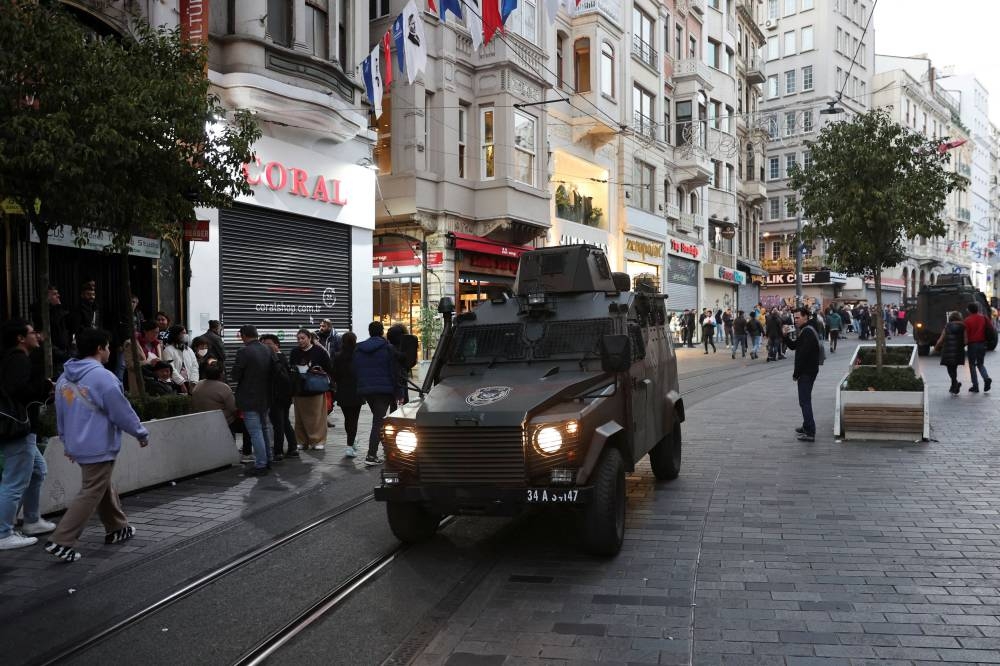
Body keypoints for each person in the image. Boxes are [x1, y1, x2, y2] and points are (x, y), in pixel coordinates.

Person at [46, 327, 149, 562]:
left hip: (79, 443)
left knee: (100, 484)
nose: (110, 351)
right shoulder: (102, 377)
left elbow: (60, 413)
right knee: (92, 489)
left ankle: (117, 527)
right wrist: (140, 432)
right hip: (99, 444)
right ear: (100, 348)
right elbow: (121, 410)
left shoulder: (64, 378)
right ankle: (62, 541)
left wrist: (66, 441)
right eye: (108, 347)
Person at [0, 320, 55, 550]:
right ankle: (3, 533)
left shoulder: (12, 358)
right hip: (18, 428)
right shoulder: (19, 359)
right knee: (15, 481)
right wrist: (44, 387)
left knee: (37, 471)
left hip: (21, 428)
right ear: (21, 338)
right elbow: (19, 391)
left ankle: (31, 520)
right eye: (33, 333)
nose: (38, 336)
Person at [354, 321, 403, 467]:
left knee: (379, 420)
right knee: (378, 422)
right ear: (382, 332)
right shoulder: (388, 348)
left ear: (369, 332)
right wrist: (398, 392)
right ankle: (371, 454)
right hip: (384, 390)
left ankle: (386, 449)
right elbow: (394, 372)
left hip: (367, 390)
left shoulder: (359, 348)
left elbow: (355, 369)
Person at [232, 325, 274, 476]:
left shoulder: (243, 351)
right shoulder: (267, 349)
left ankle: (261, 464)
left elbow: (236, 375)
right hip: (265, 396)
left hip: (249, 397)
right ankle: (268, 459)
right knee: (264, 428)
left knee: (255, 431)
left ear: (244, 335)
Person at [289, 328, 332, 451]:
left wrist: (318, 371)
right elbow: (291, 368)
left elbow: (328, 367)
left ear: (309, 338)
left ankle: (317, 440)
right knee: (300, 417)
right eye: (298, 339)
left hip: (315, 388)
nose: (300, 341)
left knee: (317, 417)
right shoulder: (295, 352)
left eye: (302, 338)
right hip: (299, 389)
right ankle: (302, 441)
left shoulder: (319, 351)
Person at [782, 307, 822, 442]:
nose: (795, 320)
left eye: (798, 317)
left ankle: (810, 431)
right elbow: (794, 347)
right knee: (804, 401)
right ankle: (806, 426)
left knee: (804, 401)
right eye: (795, 317)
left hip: (807, 371)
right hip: (809, 370)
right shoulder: (806, 330)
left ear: (806, 317)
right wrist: (785, 336)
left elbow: (802, 356)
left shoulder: (807, 332)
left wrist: (796, 374)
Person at [261, 334, 298, 460]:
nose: (266, 346)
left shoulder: (277, 358)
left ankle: (278, 451)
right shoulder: (280, 357)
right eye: (264, 344)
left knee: (278, 424)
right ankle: (293, 448)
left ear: (276, 345)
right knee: (284, 422)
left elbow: (280, 378)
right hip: (283, 396)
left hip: (278, 396)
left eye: (268, 344)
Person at [332, 332, 364, 458]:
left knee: (347, 419)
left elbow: (334, 374)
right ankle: (350, 446)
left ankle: (351, 443)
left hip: (343, 391)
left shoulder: (338, 356)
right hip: (357, 391)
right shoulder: (359, 356)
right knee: (354, 419)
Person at [191, 361, 240, 433]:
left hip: (202, 420)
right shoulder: (224, 388)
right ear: (221, 374)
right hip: (223, 421)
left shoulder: (198, 384)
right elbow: (233, 409)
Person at [31, 285, 70, 364]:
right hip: (52, 354)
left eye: (57, 293)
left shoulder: (57, 309)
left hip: (62, 351)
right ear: (46, 297)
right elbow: (53, 324)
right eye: (54, 294)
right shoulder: (40, 312)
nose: (58, 296)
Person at [123, 320, 163, 394]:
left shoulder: (157, 344)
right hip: (138, 380)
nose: (155, 335)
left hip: (154, 381)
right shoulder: (131, 343)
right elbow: (130, 364)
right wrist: (148, 362)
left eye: (157, 332)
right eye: (152, 332)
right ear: (145, 331)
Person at [963, 302, 992, 393]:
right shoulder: (984, 318)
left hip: (972, 345)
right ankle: (986, 378)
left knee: (972, 365)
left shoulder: (967, 320)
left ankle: (975, 386)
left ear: (969, 310)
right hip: (982, 343)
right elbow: (991, 328)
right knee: (980, 363)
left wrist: (963, 344)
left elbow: (966, 335)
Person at [935, 311, 966, 395]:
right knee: (954, 367)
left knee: (950, 368)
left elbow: (941, 339)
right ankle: (953, 386)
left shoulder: (947, 326)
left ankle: (955, 383)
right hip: (958, 350)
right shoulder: (963, 327)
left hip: (947, 349)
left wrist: (936, 347)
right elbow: (966, 340)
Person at [161, 324, 199, 393]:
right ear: (176, 335)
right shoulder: (168, 350)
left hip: (190, 383)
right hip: (175, 384)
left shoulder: (189, 350)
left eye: (185, 333)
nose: (186, 335)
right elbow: (171, 368)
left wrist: (194, 382)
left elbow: (195, 366)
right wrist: (181, 383)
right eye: (183, 333)